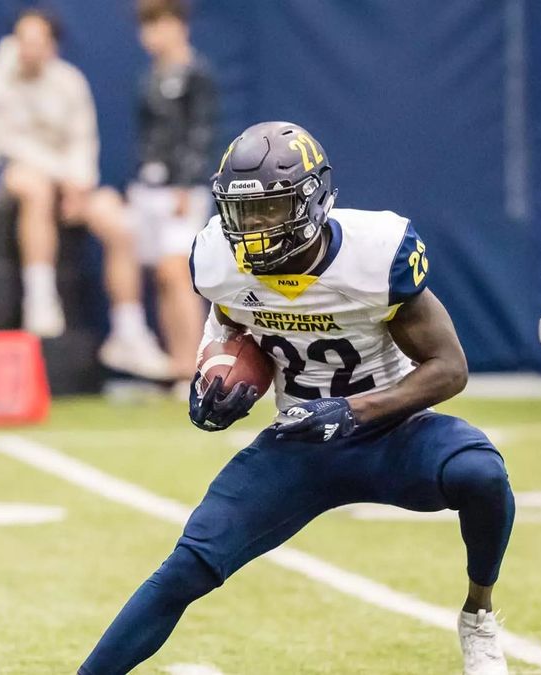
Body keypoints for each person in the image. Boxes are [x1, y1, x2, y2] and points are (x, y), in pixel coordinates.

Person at [80, 122, 515, 675]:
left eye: (267, 212)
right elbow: (229, 320)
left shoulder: (376, 254)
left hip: (390, 430)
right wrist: (210, 373)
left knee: (481, 474)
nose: (250, 231)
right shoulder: (218, 257)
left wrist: (353, 410)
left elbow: (450, 369)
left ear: (313, 201)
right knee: (188, 566)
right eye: (241, 214)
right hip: (300, 440)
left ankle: (478, 614)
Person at [0, 9, 171, 381]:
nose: (30, 50)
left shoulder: (69, 82)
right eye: (23, 41)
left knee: (118, 220)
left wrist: (79, 183)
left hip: (68, 183)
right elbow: (5, 144)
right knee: (37, 188)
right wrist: (63, 178)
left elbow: (83, 139)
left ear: (52, 46)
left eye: (38, 42)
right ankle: (40, 298)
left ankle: (128, 331)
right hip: (10, 176)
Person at [130, 0, 217, 380]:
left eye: (158, 26)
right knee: (162, 278)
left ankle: (199, 364)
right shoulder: (150, 76)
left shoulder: (197, 73)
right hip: (150, 188)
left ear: (179, 26)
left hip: (183, 191)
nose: (151, 36)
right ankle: (178, 364)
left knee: (177, 271)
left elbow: (201, 132)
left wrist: (186, 182)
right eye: (146, 28)